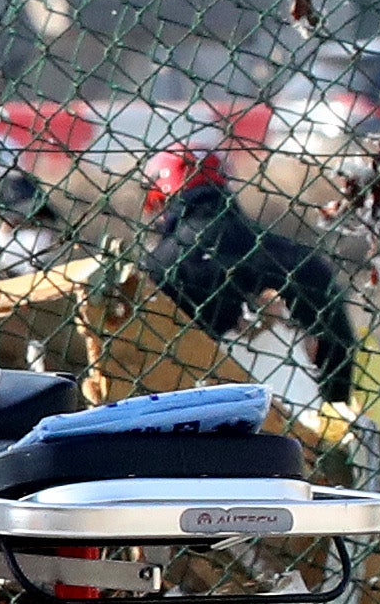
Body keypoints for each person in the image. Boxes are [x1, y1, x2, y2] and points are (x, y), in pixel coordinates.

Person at [140, 141, 357, 417]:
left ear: (161, 200)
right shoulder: (299, 262)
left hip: (191, 425)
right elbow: (340, 348)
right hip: (299, 431)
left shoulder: (157, 269)